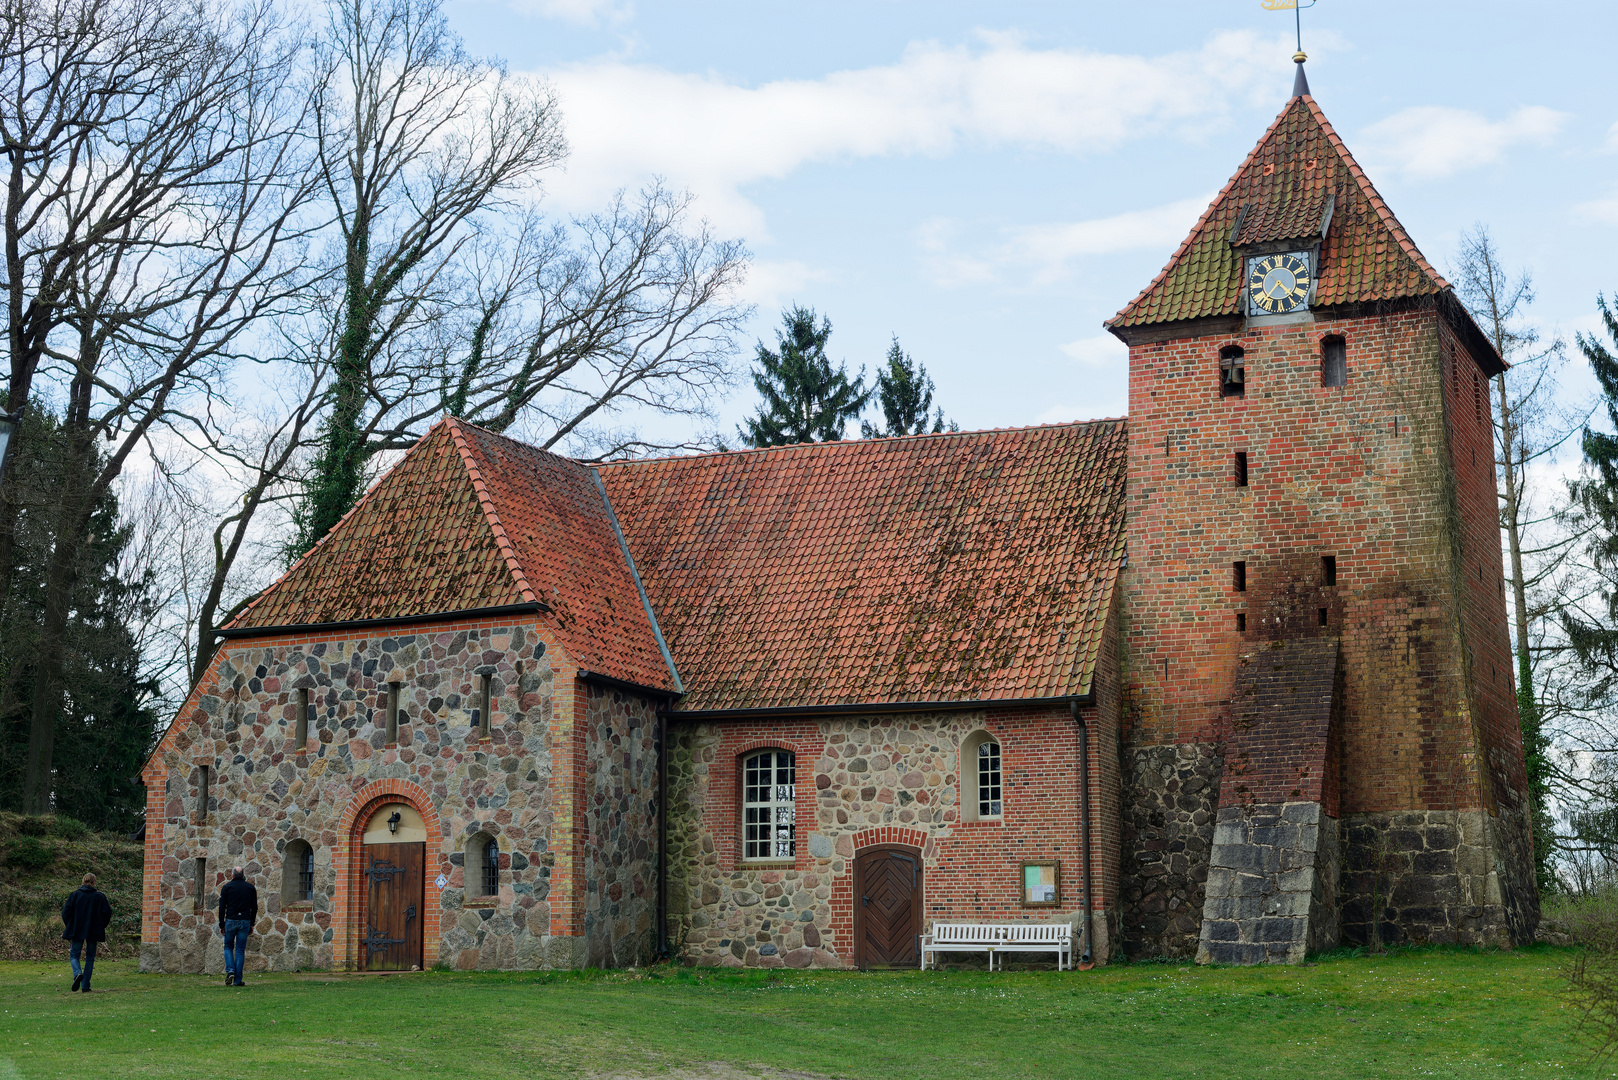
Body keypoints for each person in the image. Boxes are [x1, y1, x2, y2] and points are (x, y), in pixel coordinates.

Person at [61, 872, 112, 993]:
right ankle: (85, 986)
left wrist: (70, 925)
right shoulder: (99, 897)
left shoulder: (74, 895)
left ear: (82, 882)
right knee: (90, 957)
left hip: (77, 929)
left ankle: (77, 973)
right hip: (93, 930)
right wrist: (101, 925)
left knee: (74, 955)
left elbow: (65, 912)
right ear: (94, 883)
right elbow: (107, 913)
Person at [217, 866, 258, 987]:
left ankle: (230, 970)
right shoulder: (250, 888)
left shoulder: (227, 887)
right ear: (243, 875)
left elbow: (222, 907)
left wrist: (221, 924)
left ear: (232, 875)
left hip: (231, 920)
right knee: (240, 950)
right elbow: (254, 908)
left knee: (228, 946)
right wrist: (251, 923)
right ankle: (237, 980)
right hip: (244, 921)